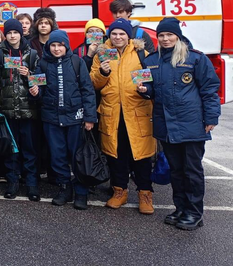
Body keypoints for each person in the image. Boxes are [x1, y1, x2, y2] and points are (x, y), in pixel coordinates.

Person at [139, 17, 220, 230]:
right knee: (175, 170)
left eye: (169, 35)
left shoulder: (195, 59)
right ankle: (181, 208)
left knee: (191, 170)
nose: (165, 39)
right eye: (162, 35)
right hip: (165, 123)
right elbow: (151, 90)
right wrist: (145, 91)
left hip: (191, 123)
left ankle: (194, 213)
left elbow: (210, 89)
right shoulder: (150, 61)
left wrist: (211, 118)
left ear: (178, 36)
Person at [90, 18, 154, 214]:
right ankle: (119, 192)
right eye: (114, 33)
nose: (118, 37)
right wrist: (102, 72)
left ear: (129, 36)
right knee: (116, 155)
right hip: (112, 112)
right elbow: (93, 83)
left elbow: (151, 82)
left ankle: (145, 194)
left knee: (141, 157)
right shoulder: (101, 54)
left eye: (122, 34)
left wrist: (145, 89)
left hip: (137, 113)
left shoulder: (141, 53)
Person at [34, 29, 97, 210]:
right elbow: (39, 91)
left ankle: (81, 192)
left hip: (75, 118)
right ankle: (64, 189)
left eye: (59, 45)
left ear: (66, 46)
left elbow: (87, 90)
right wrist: (36, 93)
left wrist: (89, 117)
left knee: (77, 156)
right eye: (52, 45)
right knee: (57, 156)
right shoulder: (43, 64)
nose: (56, 49)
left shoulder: (77, 62)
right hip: (52, 119)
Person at [0, 18, 41, 201]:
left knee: (30, 149)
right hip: (8, 109)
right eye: (10, 33)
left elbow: (40, 81)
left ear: (21, 34)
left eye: (16, 32)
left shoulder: (32, 53)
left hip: (28, 110)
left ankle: (31, 184)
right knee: (11, 148)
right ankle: (12, 182)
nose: (12, 36)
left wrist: (30, 75)